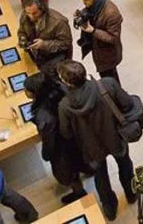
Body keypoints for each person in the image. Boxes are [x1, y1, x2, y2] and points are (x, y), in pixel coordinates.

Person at [57, 60, 137, 220]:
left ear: (66, 82)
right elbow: (127, 103)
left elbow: (66, 133)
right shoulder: (107, 84)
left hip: (90, 146)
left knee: (101, 177)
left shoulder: (65, 105)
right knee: (125, 164)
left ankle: (109, 207)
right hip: (115, 136)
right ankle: (131, 193)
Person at [22, 72, 89, 204]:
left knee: (70, 171)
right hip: (78, 136)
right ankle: (89, 170)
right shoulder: (60, 90)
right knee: (83, 159)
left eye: (27, 90)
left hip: (62, 148)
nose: (25, 92)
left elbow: (49, 139)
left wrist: (46, 154)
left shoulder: (43, 115)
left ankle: (79, 192)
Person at [75, 0, 124, 82]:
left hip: (108, 54)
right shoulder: (95, 6)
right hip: (98, 48)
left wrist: (93, 31)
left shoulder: (111, 13)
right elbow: (90, 12)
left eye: (86, 1)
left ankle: (116, 95)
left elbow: (113, 38)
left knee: (110, 79)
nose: (84, 3)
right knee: (107, 76)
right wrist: (82, 15)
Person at [18, 0, 73, 74]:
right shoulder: (25, 15)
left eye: (35, 13)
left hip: (56, 56)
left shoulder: (58, 22)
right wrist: (23, 39)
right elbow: (22, 31)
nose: (31, 17)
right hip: (38, 54)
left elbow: (66, 43)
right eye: (28, 13)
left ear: (42, 8)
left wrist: (44, 44)